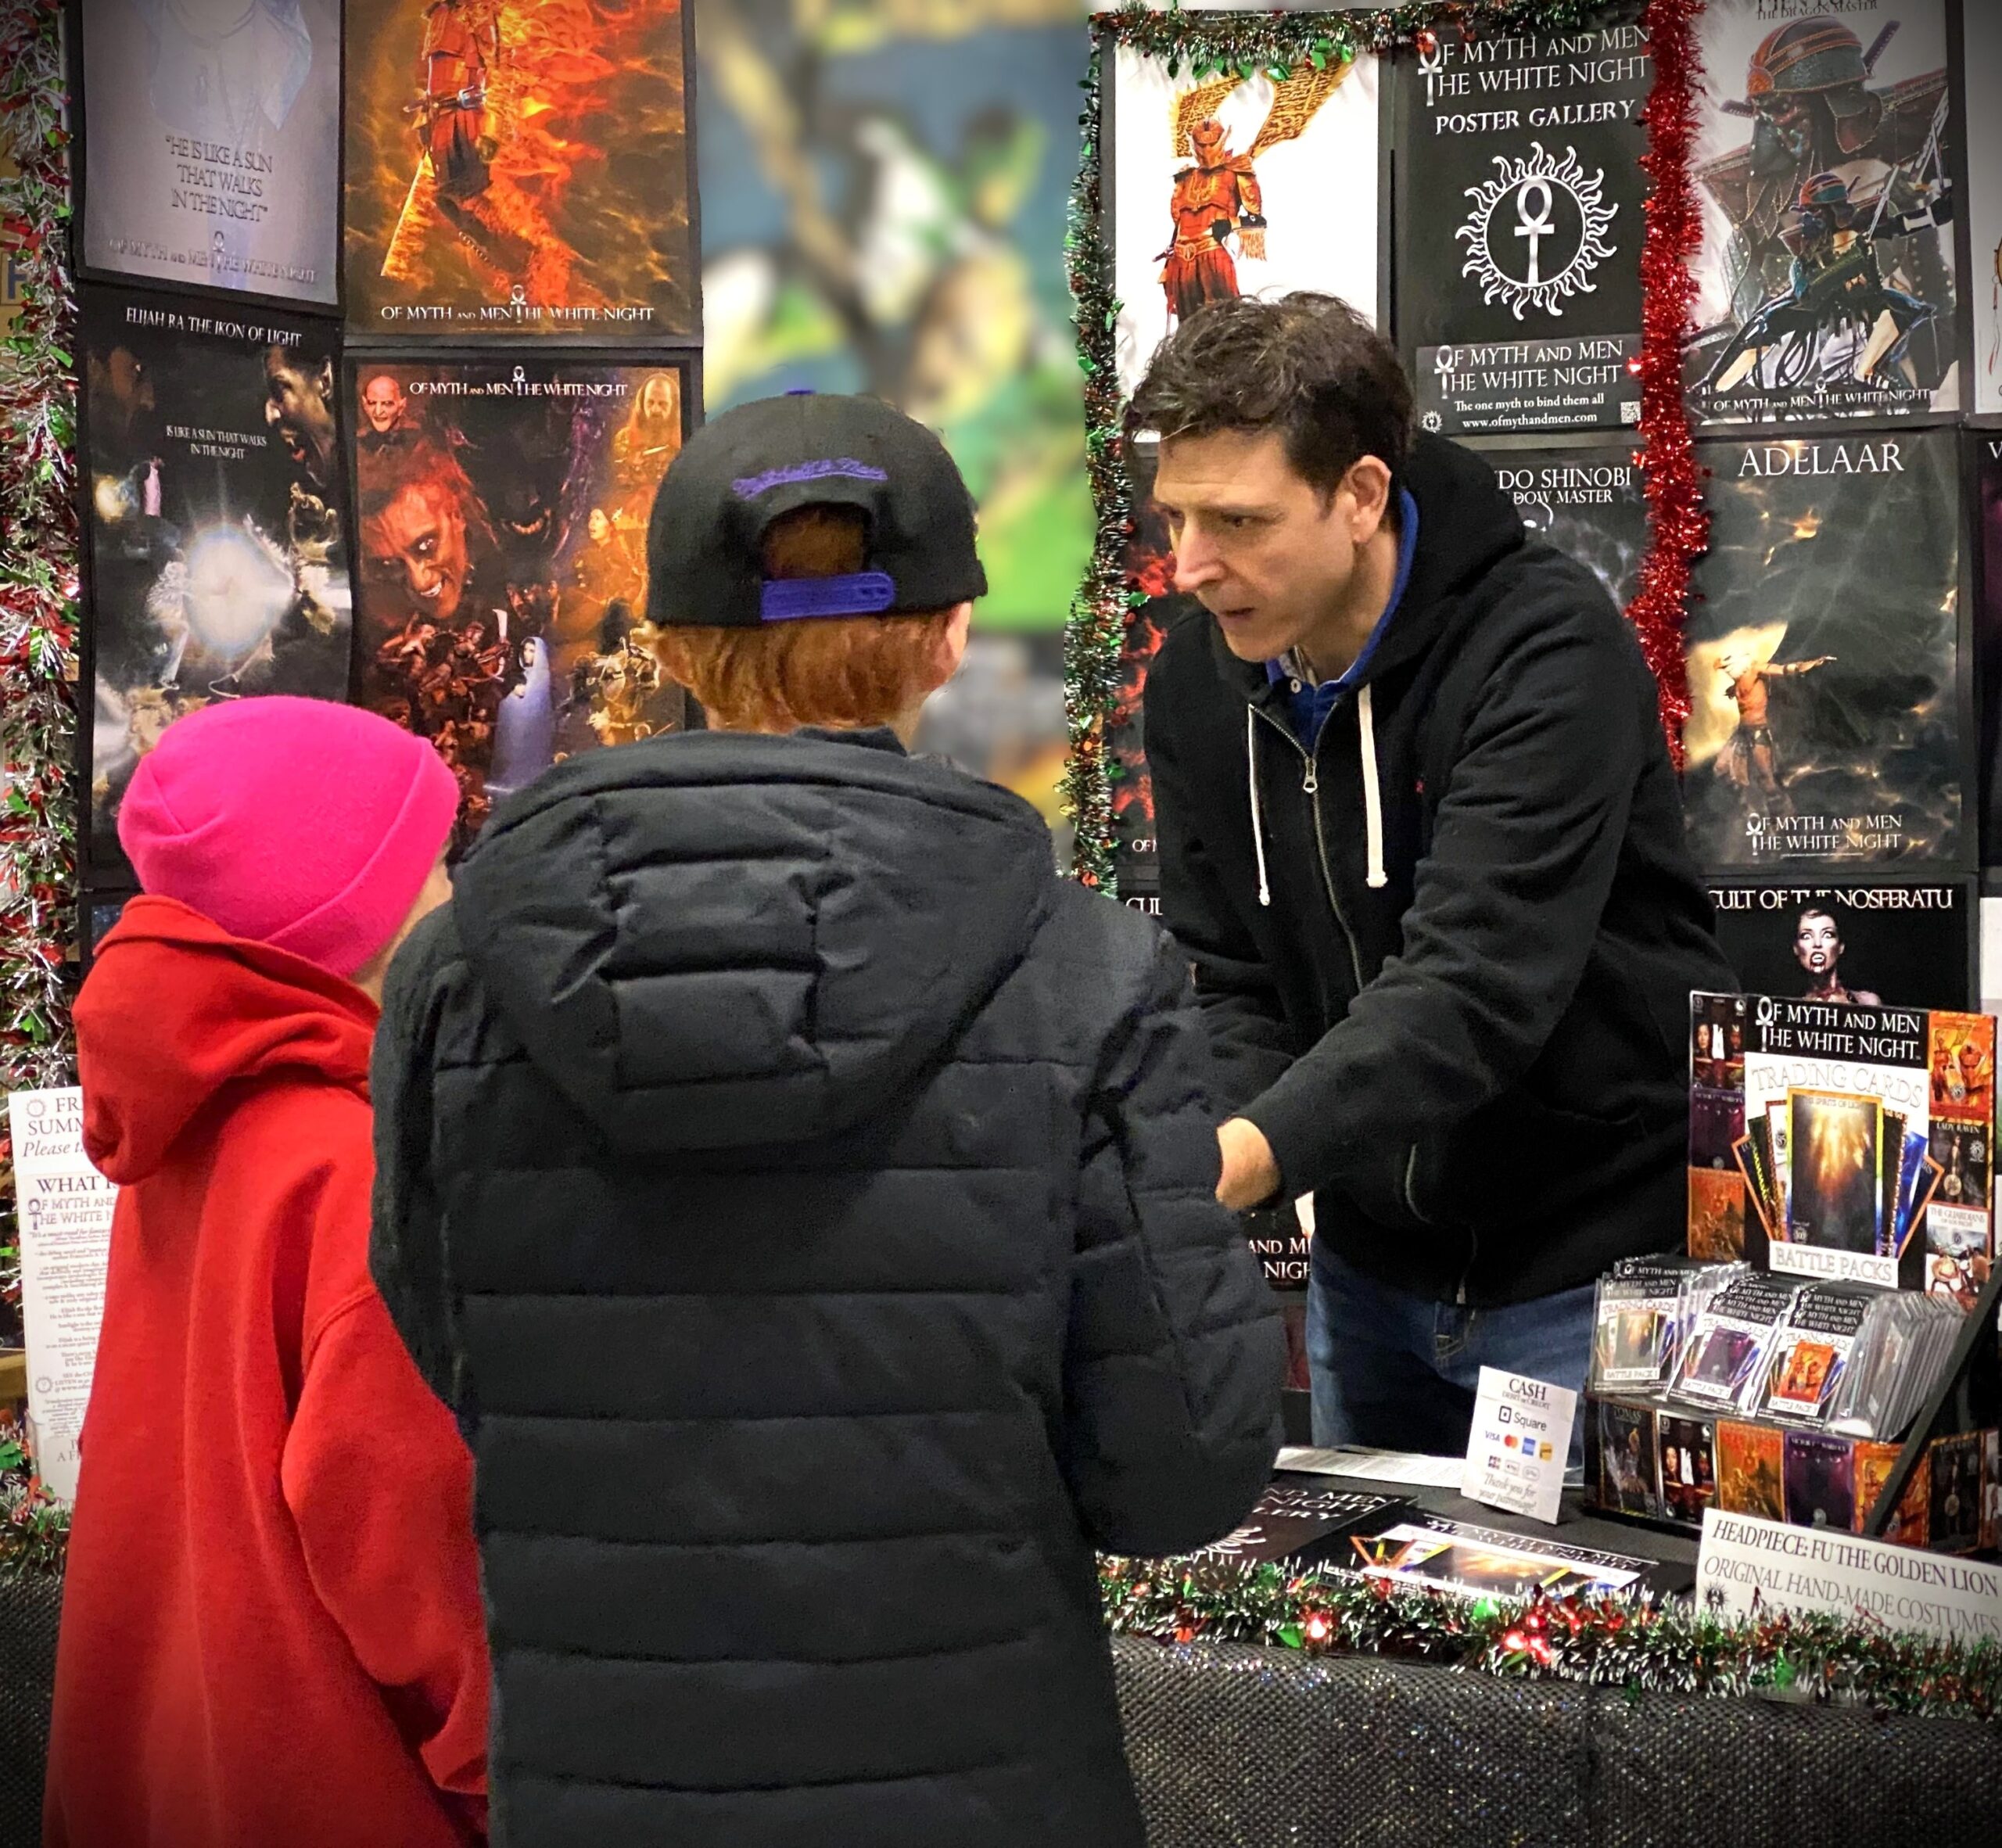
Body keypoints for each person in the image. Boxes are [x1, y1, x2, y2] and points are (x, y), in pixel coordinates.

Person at [370, 391, 1283, 1846]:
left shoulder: (453, 977)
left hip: (605, 1783)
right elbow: (1181, 1459)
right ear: (947, 638)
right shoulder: (1084, 976)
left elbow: (449, 1339)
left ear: (665, 646)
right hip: (986, 1786)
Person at [1132, 293, 1735, 1458]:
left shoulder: (1545, 650)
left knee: (1589, 1638)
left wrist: (1236, 1158)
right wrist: (1228, 1139)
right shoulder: (1200, 688)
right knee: (1367, 1637)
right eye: (1176, 518)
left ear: (1359, 494)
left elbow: (1472, 986)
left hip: (1591, 1272)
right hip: (1369, 1274)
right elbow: (1228, 979)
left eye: (1241, 521)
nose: (1193, 567)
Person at [45, 698, 489, 1848]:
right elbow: (419, 1579)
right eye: (436, 861)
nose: (455, 895)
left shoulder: (186, 1126)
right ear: (360, 910)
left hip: (179, 1769)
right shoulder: (349, 1169)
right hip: (340, 1785)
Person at [1791, 904, 1878, 1006]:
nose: (1817, 944)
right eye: (1806, 936)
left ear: (1840, 946)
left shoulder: (1867, 1002)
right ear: (1796, 948)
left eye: (1827, 935)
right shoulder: (1785, 1008)